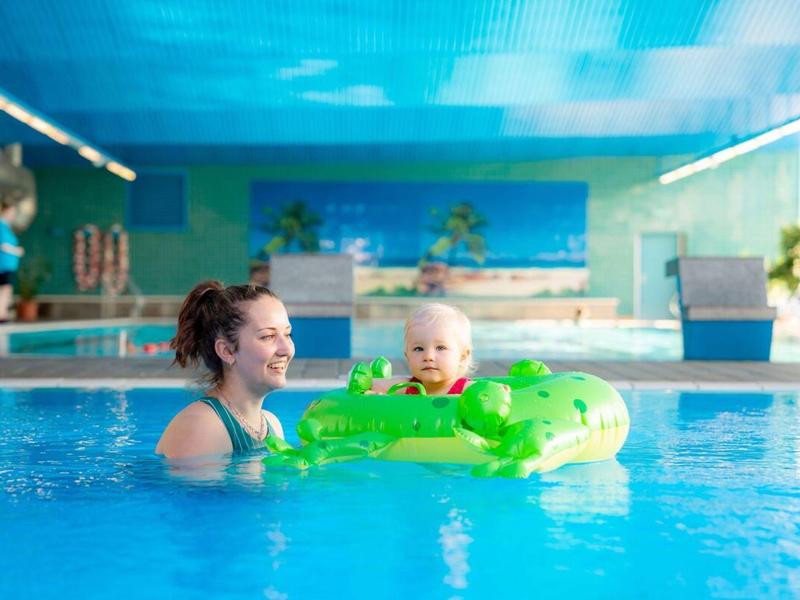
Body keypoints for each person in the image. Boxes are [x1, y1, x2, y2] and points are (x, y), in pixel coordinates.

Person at [156, 280, 294, 459]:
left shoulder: (271, 425)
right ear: (227, 351)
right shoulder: (203, 427)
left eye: (288, 334)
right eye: (268, 336)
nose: (286, 349)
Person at [373, 303, 476, 396]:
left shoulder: (468, 390)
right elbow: (365, 384)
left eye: (440, 348)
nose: (428, 356)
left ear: (462, 356)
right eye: (419, 349)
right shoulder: (407, 386)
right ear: (407, 356)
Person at [0, 200, 24, 323]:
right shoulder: (1, 226)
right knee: (5, 289)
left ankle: (3, 314)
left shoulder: (7, 228)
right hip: (3, 265)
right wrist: (16, 251)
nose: (13, 215)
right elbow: (3, 245)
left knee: (6, 289)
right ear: (5, 211)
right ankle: (2, 315)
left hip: (8, 265)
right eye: (11, 212)